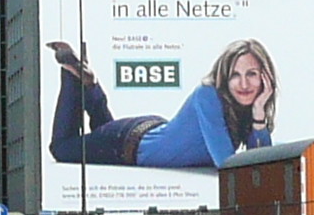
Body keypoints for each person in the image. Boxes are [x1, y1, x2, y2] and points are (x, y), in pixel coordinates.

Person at [46, 40, 276, 170]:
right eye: (235, 75)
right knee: (62, 148)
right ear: (224, 77)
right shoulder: (209, 94)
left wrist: (258, 115)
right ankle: (72, 75)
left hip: (147, 132)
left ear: (264, 78)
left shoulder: (245, 108)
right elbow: (229, 165)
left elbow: (259, 162)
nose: (244, 83)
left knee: (102, 131)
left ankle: (89, 82)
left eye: (252, 74)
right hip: (129, 145)